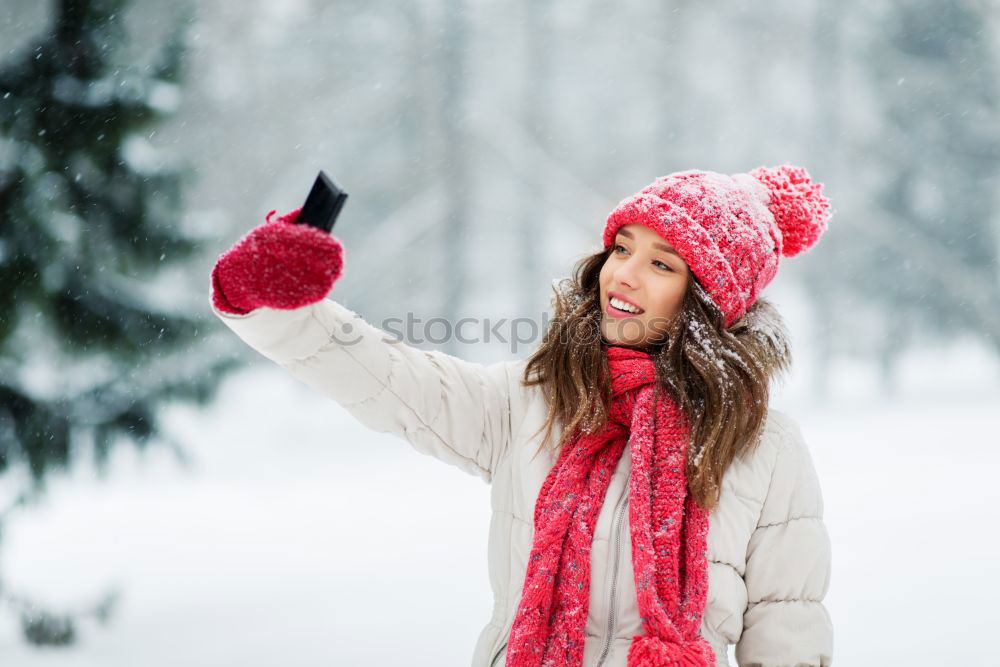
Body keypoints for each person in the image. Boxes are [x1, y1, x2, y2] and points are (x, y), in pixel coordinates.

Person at [208, 164, 834, 667]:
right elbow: (386, 377)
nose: (624, 274)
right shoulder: (535, 401)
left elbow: (788, 634)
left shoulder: (765, 448)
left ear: (707, 300)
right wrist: (271, 302)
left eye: (661, 263)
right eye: (622, 248)